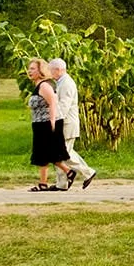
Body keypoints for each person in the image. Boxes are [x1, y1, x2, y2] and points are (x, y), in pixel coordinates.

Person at [25, 58, 74, 191]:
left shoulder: (44, 86)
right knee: (46, 154)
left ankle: (44, 182)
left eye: (33, 69)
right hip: (40, 124)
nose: (30, 71)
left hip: (46, 124)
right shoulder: (39, 85)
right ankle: (67, 172)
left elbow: (53, 102)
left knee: (44, 154)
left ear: (40, 71)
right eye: (29, 69)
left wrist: (52, 122)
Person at [47, 58, 96, 190]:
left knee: (62, 154)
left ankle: (88, 172)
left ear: (58, 70)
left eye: (50, 70)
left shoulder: (67, 84)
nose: (49, 72)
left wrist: (55, 121)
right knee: (62, 153)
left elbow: (64, 105)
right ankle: (62, 183)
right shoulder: (61, 83)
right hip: (65, 122)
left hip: (67, 123)